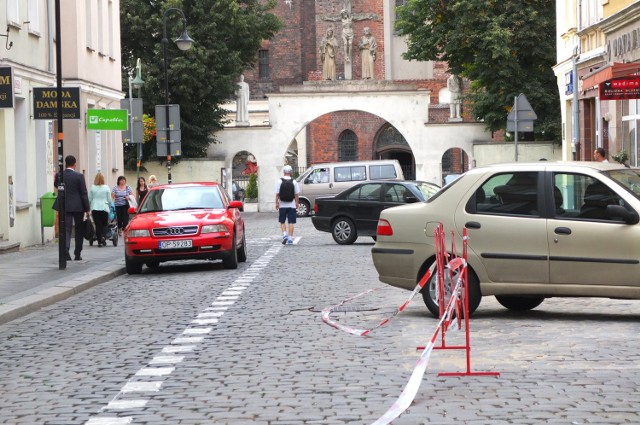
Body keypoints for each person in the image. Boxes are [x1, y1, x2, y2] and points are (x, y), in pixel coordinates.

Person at [55, 155, 90, 261]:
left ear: (65, 163)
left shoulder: (59, 175)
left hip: (64, 204)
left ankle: (65, 250)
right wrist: (87, 208)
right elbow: (84, 193)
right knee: (79, 230)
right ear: (75, 164)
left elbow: (57, 185)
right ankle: (77, 253)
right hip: (78, 206)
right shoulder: (79, 176)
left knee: (66, 229)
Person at [275, 165, 300, 245]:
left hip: (282, 204)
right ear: (291, 172)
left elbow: (277, 194)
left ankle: (284, 234)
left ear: (284, 172)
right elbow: (296, 194)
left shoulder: (279, 181)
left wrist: (276, 203)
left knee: (282, 221)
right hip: (291, 204)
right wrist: (297, 203)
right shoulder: (294, 182)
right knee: (291, 222)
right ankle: (290, 238)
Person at [89, 172, 111, 247]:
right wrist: (110, 206)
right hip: (104, 208)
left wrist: (88, 207)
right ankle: (104, 237)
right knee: (104, 224)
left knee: (98, 225)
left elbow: (90, 199)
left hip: (95, 208)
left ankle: (99, 242)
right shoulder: (106, 187)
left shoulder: (92, 187)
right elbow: (109, 199)